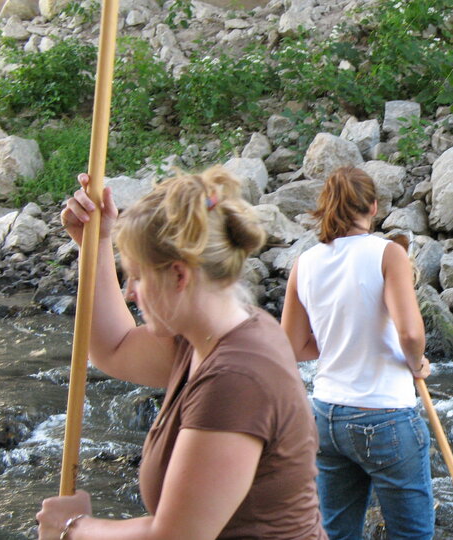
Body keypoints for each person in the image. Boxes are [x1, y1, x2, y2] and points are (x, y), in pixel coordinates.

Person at [38, 169, 327, 540]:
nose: (130, 293)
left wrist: (72, 529)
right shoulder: (207, 337)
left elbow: (176, 536)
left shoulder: (236, 378)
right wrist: (95, 243)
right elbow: (113, 348)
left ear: (178, 275)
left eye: (138, 277)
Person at [281, 166, 435, 540]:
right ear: (373, 207)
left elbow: (291, 346)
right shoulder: (388, 254)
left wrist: (341, 337)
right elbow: (411, 332)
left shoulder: (304, 264)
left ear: (326, 208)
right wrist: (417, 363)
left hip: (326, 416)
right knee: (412, 534)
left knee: (336, 532)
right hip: (383, 413)